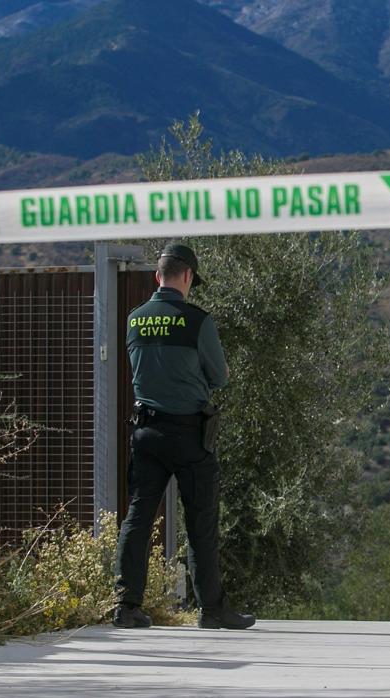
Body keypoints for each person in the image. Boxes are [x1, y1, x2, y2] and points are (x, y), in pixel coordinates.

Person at [112, 242, 256, 631]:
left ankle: (126, 606)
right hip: (190, 435)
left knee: (138, 517)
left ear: (157, 275)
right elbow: (221, 378)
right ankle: (212, 610)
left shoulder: (134, 319)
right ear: (188, 276)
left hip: (146, 431)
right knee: (201, 522)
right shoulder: (197, 321)